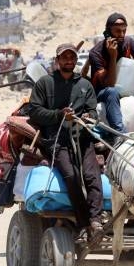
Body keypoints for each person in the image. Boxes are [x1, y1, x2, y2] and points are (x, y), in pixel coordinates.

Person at [26, 43, 102, 243]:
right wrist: (59, 115)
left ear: (76, 60)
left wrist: (88, 116)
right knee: (71, 175)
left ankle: (96, 220)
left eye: (72, 57)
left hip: (83, 138)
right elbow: (34, 111)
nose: (69, 61)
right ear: (57, 60)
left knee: (92, 175)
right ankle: (83, 222)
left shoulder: (85, 84)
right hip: (56, 140)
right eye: (64, 57)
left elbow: (94, 111)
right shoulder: (45, 83)